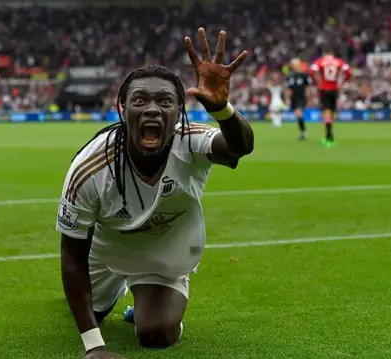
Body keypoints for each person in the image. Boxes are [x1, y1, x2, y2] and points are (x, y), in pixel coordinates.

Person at [56, 28, 253, 359]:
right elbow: (72, 254)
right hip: (108, 249)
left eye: (164, 101)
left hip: (166, 250)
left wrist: (223, 110)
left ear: (179, 112)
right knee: (91, 315)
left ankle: (150, 302)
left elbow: (239, 146)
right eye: (139, 100)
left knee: (156, 333)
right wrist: (93, 346)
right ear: (122, 109)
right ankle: (120, 291)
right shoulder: (90, 167)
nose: (151, 109)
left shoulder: (191, 141)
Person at [309, 47, 352, 147]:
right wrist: (343, 81)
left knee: (326, 111)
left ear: (324, 54)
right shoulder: (338, 62)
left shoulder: (320, 61)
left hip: (324, 89)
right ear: (332, 54)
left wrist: (316, 82)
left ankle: (328, 136)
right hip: (334, 89)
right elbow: (349, 72)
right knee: (332, 111)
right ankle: (330, 136)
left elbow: (311, 71)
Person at [286, 58, 312, 140]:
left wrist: (308, 98)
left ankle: (304, 132)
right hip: (294, 98)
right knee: (298, 115)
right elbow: (289, 88)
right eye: (293, 64)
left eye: (295, 63)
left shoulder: (304, 75)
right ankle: (303, 132)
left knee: (298, 113)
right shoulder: (290, 75)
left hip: (301, 98)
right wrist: (287, 98)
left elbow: (308, 87)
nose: (294, 65)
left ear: (299, 64)